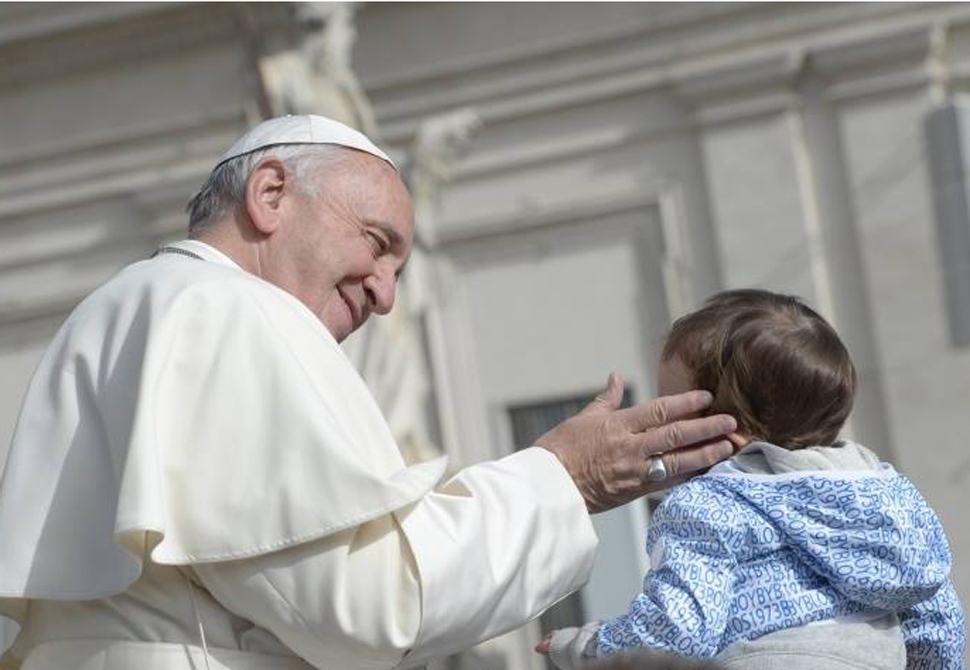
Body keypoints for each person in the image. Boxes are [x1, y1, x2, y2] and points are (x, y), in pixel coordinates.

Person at [0, 115, 738, 670]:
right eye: (377, 242)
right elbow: (371, 602)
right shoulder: (227, 308)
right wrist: (563, 479)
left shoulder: (131, 303)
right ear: (270, 193)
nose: (386, 296)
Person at [541, 289, 965, 670]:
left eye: (668, 409)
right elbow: (938, 624)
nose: (657, 425)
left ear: (725, 429)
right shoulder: (885, 495)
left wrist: (584, 645)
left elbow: (675, 632)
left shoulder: (711, 504)